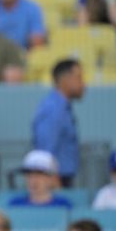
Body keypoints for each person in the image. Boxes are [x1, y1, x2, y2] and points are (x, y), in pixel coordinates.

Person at [32, 59, 85, 187]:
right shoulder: (54, 108)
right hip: (56, 180)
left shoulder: (62, 107)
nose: (83, 84)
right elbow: (46, 147)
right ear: (65, 80)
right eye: (79, 77)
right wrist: (51, 178)